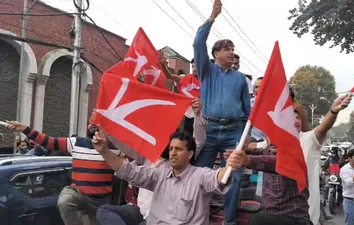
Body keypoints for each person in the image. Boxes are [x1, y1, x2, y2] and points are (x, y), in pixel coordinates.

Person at [91, 123, 248, 225]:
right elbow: (129, 171)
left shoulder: (200, 176)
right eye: (171, 149)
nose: (173, 153)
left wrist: (230, 167)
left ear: (190, 154)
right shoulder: (159, 175)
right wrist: (104, 151)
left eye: (178, 149)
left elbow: (217, 179)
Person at [96, 99, 206, 225]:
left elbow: (199, 141)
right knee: (104, 211)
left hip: (162, 218)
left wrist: (197, 115)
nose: (173, 151)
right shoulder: (148, 156)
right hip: (140, 212)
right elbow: (126, 146)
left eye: (176, 147)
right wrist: (108, 132)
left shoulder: (181, 163)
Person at [193, 0, 251, 223]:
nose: (231, 53)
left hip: (233, 132)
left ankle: (229, 221)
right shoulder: (206, 70)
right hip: (209, 129)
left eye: (232, 50)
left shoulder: (240, 79)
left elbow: (247, 112)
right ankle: (198, 216)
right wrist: (212, 17)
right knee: (199, 172)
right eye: (226, 49)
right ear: (216, 53)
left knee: (234, 176)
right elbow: (198, 43)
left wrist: (244, 139)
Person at [5, 114, 121, 225]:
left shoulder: (116, 149)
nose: (92, 123)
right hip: (77, 194)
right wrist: (24, 128)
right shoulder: (76, 142)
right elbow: (48, 141)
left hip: (100, 202)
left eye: (97, 120)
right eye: (91, 120)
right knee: (65, 201)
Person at [297, 94, 352, 225]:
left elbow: (322, 129)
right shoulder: (271, 144)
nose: (294, 120)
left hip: (307, 217)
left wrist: (333, 111)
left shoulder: (308, 139)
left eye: (297, 117)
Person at [226, 143, 312, 225]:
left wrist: (247, 160)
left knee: (257, 220)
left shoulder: (295, 157)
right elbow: (256, 151)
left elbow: (273, 162)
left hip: (295, 220)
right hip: (270, 216)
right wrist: (241, 148)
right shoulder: (268, 150)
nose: (275, 141)